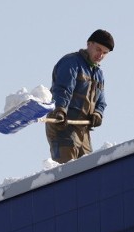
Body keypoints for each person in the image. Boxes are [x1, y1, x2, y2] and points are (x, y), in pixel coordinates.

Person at [46, 29, 114, 163]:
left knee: (87, 169)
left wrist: (98, 113)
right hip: (64, 124)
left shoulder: (98, 74)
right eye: (98, 49)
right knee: (67, 171)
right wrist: (60, 110)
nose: (100, 55)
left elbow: (101, 101)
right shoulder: (71, 62)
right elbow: (63, 89)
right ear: (89, 44)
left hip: (83, 129)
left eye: (105, 53)